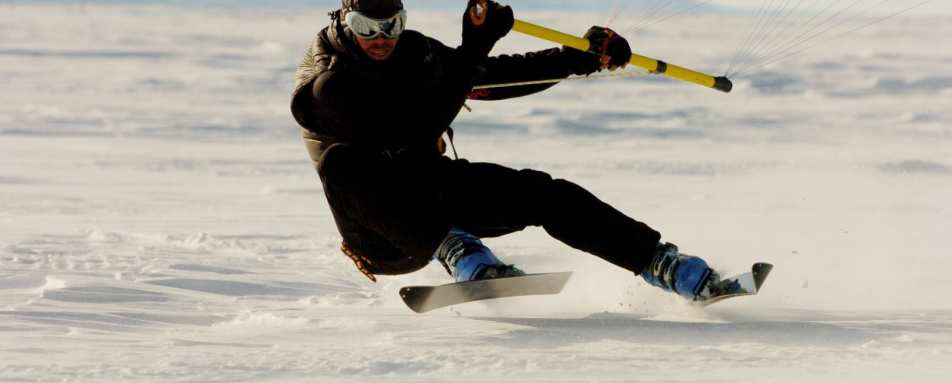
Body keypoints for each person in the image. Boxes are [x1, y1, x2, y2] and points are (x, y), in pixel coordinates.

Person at [291, 0, 720, 301]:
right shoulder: (328, 82)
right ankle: (455, 247)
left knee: (546, 194)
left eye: (392, 25)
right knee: (343, 163)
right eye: (368, 27)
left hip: (432, 189)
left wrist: (578, 58)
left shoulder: (413, 51)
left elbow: (485, 79)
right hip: (384, 235)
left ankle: (666, 267)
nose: (381, 38)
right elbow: (411, 130)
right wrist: (475, 47)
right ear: (345, 20)